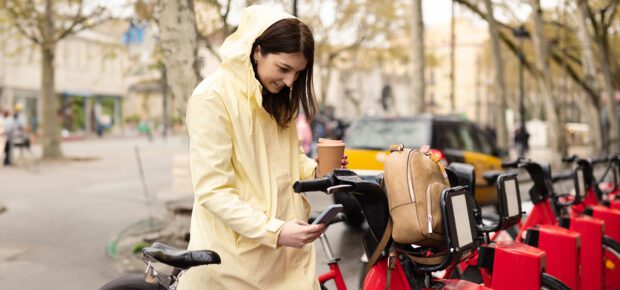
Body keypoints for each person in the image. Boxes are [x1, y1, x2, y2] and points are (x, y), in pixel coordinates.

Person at [179, 5, 346, 290]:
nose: (290, 81)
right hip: (232, 263)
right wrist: (277, 231)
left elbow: (287, 161)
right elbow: (213, 190)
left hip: (282, 255)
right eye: (283, 68)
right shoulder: (212, 98)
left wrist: (316, 169)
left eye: (297, 72)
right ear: (257, 51)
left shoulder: (278, 100)